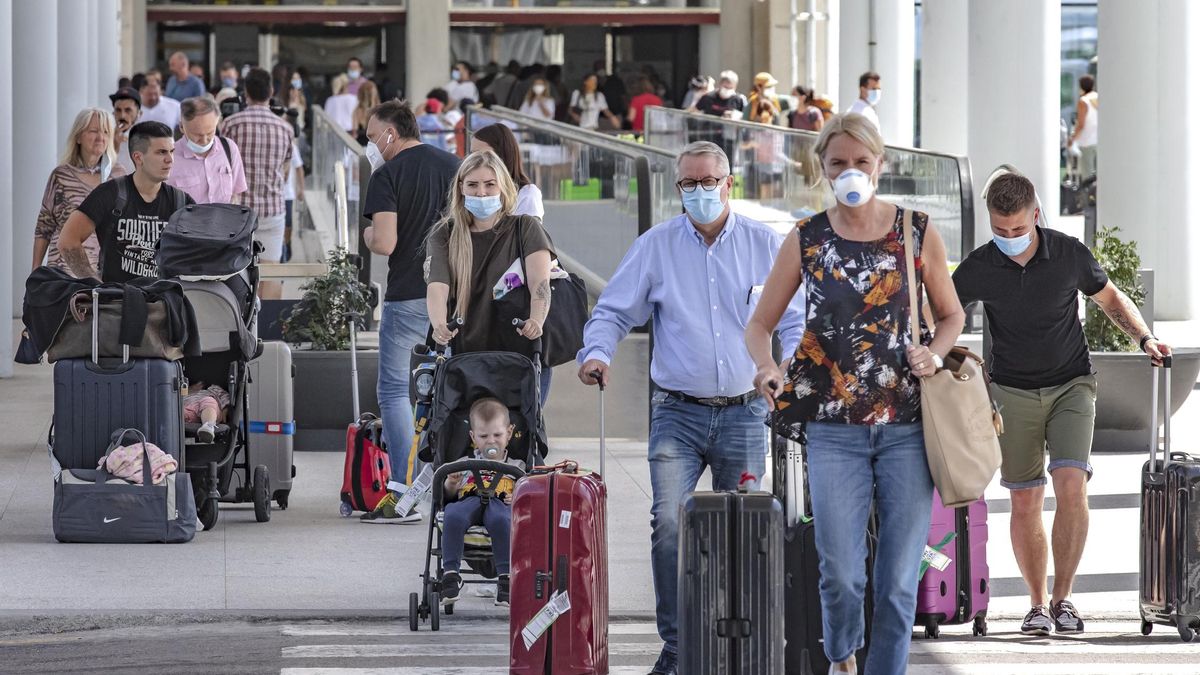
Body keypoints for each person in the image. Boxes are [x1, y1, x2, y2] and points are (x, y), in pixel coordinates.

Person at [746, 113, 963, 675]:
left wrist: (934, 353)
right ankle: (841, 654)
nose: (850, 172)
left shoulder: (916, 230)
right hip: (832, 431)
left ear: (880, 165)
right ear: (821, 169)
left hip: (908, 429)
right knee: (841, 573)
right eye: (838, 163)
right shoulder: (807, 237)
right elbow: (759, 325)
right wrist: (767, 367)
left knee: (895, 582)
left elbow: (952, 314)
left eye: (861, 162)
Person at [577, 141, 805, 675]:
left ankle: (744, 638)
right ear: (677, 187)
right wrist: (596, 354)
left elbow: (793, 320)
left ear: (730, 184)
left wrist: (783, 368)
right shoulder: (656, 246)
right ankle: (679, 645)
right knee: (669, 525)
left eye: (709, 182)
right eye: (688, 184)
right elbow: (612, 311)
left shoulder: (763, 245)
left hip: (746, 410)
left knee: (750, 528)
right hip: (677, 412)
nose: (699, 192)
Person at [952, 167, 1170, 637]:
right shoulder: (979, 265)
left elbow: (1110, 299)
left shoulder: (1068, 253)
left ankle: (1064, 598)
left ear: (1035, 213)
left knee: (1072, 484)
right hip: (1010, 390)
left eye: (1018, 228)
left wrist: (1145, 338)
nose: (1009, 237)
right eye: (999, 230)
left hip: (1072, 383)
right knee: (1025, 499)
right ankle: (1036, 606)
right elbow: (944, 311)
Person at [359, 99, 461, 524]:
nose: (370, 145)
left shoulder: (386, 175)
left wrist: (366, 233)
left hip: (407, 295)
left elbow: (385, 242)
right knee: (449, 390)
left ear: (391, 133)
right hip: (455, 296)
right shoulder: (456, 166)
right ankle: (451, 485)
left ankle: (404, 490)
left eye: (371, 137)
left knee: (395, 391)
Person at [424, 149, 552, 355]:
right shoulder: (444, 233)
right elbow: (437, 287)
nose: (481, 192)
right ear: (461, 188)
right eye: (472, 185)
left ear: (502, 186)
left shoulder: (526, 227)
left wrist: (536, 320)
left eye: (490, 184)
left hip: (520, 352)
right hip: (464, 354)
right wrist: (439, 325)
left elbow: (540, 283)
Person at [58, 121, 194, 282]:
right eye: (161, 152)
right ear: (138, 157)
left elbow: (199, 253)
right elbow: (68, 241)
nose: (170, 159)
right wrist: (93, 283)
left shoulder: (181, 201)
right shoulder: (110, 193)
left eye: (172, 151)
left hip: (164, 301)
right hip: (116, 302)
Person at [438, 397, 523, 608]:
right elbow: (446, 497)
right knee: (452, 514)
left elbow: (530, 492)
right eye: (483, 436)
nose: (491, 441)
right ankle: (450, 575)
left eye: (497, 435)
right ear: (473, 437)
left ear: (509, 433)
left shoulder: (517, 466)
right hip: (468, 501)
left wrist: (519, 497)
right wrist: (451, 483)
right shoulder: (462, 464)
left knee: (502, 520)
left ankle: (505, 578)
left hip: (500, 505)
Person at [220, 67, 294, 299]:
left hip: (239, 212)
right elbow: (286, 171)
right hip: (273, 210)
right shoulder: (285, 128)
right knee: (271, 271)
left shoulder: (231, 124)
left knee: (237, 271)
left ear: (245, 92)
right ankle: (268, 328)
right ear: (271, 91)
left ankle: (243, 328)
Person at [33, 108, 127, 274]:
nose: (100, 137)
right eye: (93, 131)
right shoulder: (61, 175)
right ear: (78, 137)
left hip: (103, 274)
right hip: (63, 272)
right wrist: (35, 271)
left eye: (106, 132)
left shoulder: (119, 176)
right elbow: (44, 226)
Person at [169, 97, 247, 205]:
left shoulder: (229, 148)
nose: (204, 140)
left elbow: (236, 193)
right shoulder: (169, 158)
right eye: (197, 135)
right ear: (182, 127)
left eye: (210, 133)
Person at [1068, 74, 1099, 179]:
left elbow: (1081, 125)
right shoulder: (1098, 98)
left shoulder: (1083, 101)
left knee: (1088, 176)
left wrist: (1072, 139)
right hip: (1099, 142)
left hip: (1087, 142)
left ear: (1081, 86)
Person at [110, 87, 142, 175]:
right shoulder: (104, 138)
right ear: (113, 113)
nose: (122, 116)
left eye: (128, 110)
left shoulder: (148, 138)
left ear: (139, 114)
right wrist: (113, 145)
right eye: (118, 110)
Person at [352, 80, 381, 145]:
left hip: (360, 145)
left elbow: (355, 133)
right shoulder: (379, 111)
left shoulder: (357, 111)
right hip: (376, 146)